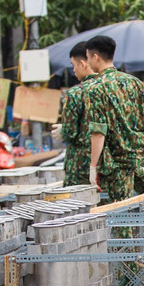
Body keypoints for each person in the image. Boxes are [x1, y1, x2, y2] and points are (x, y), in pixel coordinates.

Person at [82, 35, 144, 202]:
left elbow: (98, 132)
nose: (87, 63)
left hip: (114, 161)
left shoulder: (95, 88)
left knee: (121, 215)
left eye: (87, 58)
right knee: (140, 199)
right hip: (135, 155)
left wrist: (93, 166)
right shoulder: (134, 82)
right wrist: (130, 129)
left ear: (95, 57)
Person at [57, 42, 96, 186]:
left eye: (74, 65)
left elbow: (70, 132)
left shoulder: (76, 93)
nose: (74, 70)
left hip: (81, 165)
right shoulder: (116, 88)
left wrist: (62, 130)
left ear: (83, 64)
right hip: (109, 166)